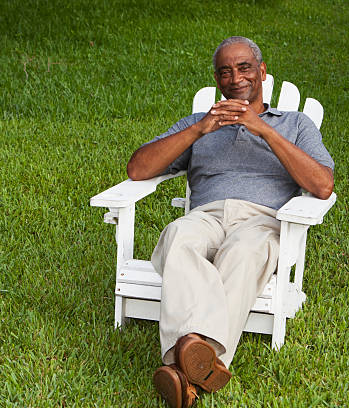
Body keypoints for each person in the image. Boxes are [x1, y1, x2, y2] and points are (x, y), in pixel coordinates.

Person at [126, 36, 334, 407]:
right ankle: (200, 364)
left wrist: (264, 130)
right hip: (205, 216)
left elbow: (321, 184)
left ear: (262, 72)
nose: (235, 78)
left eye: (244, 68)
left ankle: (179, 369)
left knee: (244, 252)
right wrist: (198, 130)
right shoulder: (198, 123)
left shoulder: (294, 123)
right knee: (177, 236)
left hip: (262, 220)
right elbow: (138, 168)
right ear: (217, 80)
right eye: (225, 71)